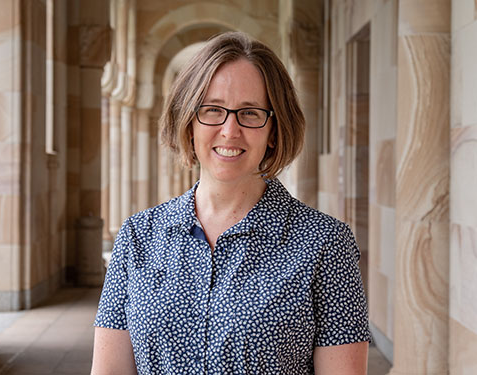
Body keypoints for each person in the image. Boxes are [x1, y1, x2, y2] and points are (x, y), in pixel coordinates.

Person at [91, 31, 370, 375]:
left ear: (274, 130)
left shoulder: (325, 244)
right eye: (212, 110)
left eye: (250, 113)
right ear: (188, 121)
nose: (229, 130)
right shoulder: (138, 238)